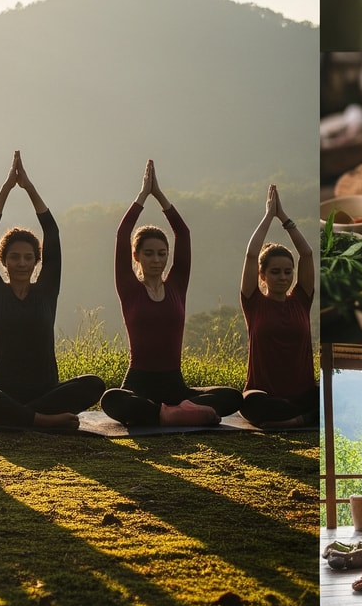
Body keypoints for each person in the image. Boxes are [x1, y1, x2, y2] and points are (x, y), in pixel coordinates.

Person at [0, 152, 105, 430]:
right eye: (14, 257)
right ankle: (39, 420)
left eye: (27, 257)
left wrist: (30, 188)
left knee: (95, 384)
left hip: (45, 392)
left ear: (37, 261)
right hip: (2, 390)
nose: (21, 263)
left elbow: (52, 233)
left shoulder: (46, 291)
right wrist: (6, 188)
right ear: (4, 261)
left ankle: (7, 416)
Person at [100, 160, 242, 427]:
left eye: (162, 253)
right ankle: (171, 413)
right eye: (149, 253)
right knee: (111, 399)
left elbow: (183, 234)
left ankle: (168, 412)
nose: (156, 259)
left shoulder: (176, 285)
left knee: (233, 396)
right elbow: (122, 234)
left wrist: (160, 196)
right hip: (138, 384)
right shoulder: (130, 289)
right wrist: (143, 195)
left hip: (175, 386)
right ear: (136, 256)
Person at [238, 184, 317, 428]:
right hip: (265, 396)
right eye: (275, 272)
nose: (283, 277)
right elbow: (251, 255)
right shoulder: (253, 303)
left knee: (331, 395)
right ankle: (301, 419)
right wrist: (267, 217)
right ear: (262, 276)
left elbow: (307, 254)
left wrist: (284, 218)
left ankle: (292, 420)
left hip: (301, 395)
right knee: (249, 404)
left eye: (287, 271)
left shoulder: (301, 300)